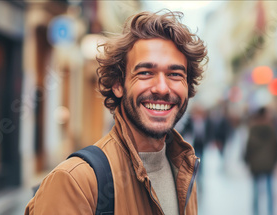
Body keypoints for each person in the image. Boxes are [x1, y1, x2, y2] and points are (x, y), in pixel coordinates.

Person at [25, 10, 207, 215]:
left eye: (175, 74)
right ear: (118, 85)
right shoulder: (76, 183)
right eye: (146, 73)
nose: (162, 88)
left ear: (188, 87)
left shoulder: (184, 172)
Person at [244, 107, 277, 215]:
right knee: (269, 191)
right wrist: (275, 161)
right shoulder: (272, 129)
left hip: (256, 165)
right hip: (269, 164)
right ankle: (271, 211)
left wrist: (247, 160)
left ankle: (256, 212)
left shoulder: (253, 130)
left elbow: (248, 147)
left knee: (256, 191)